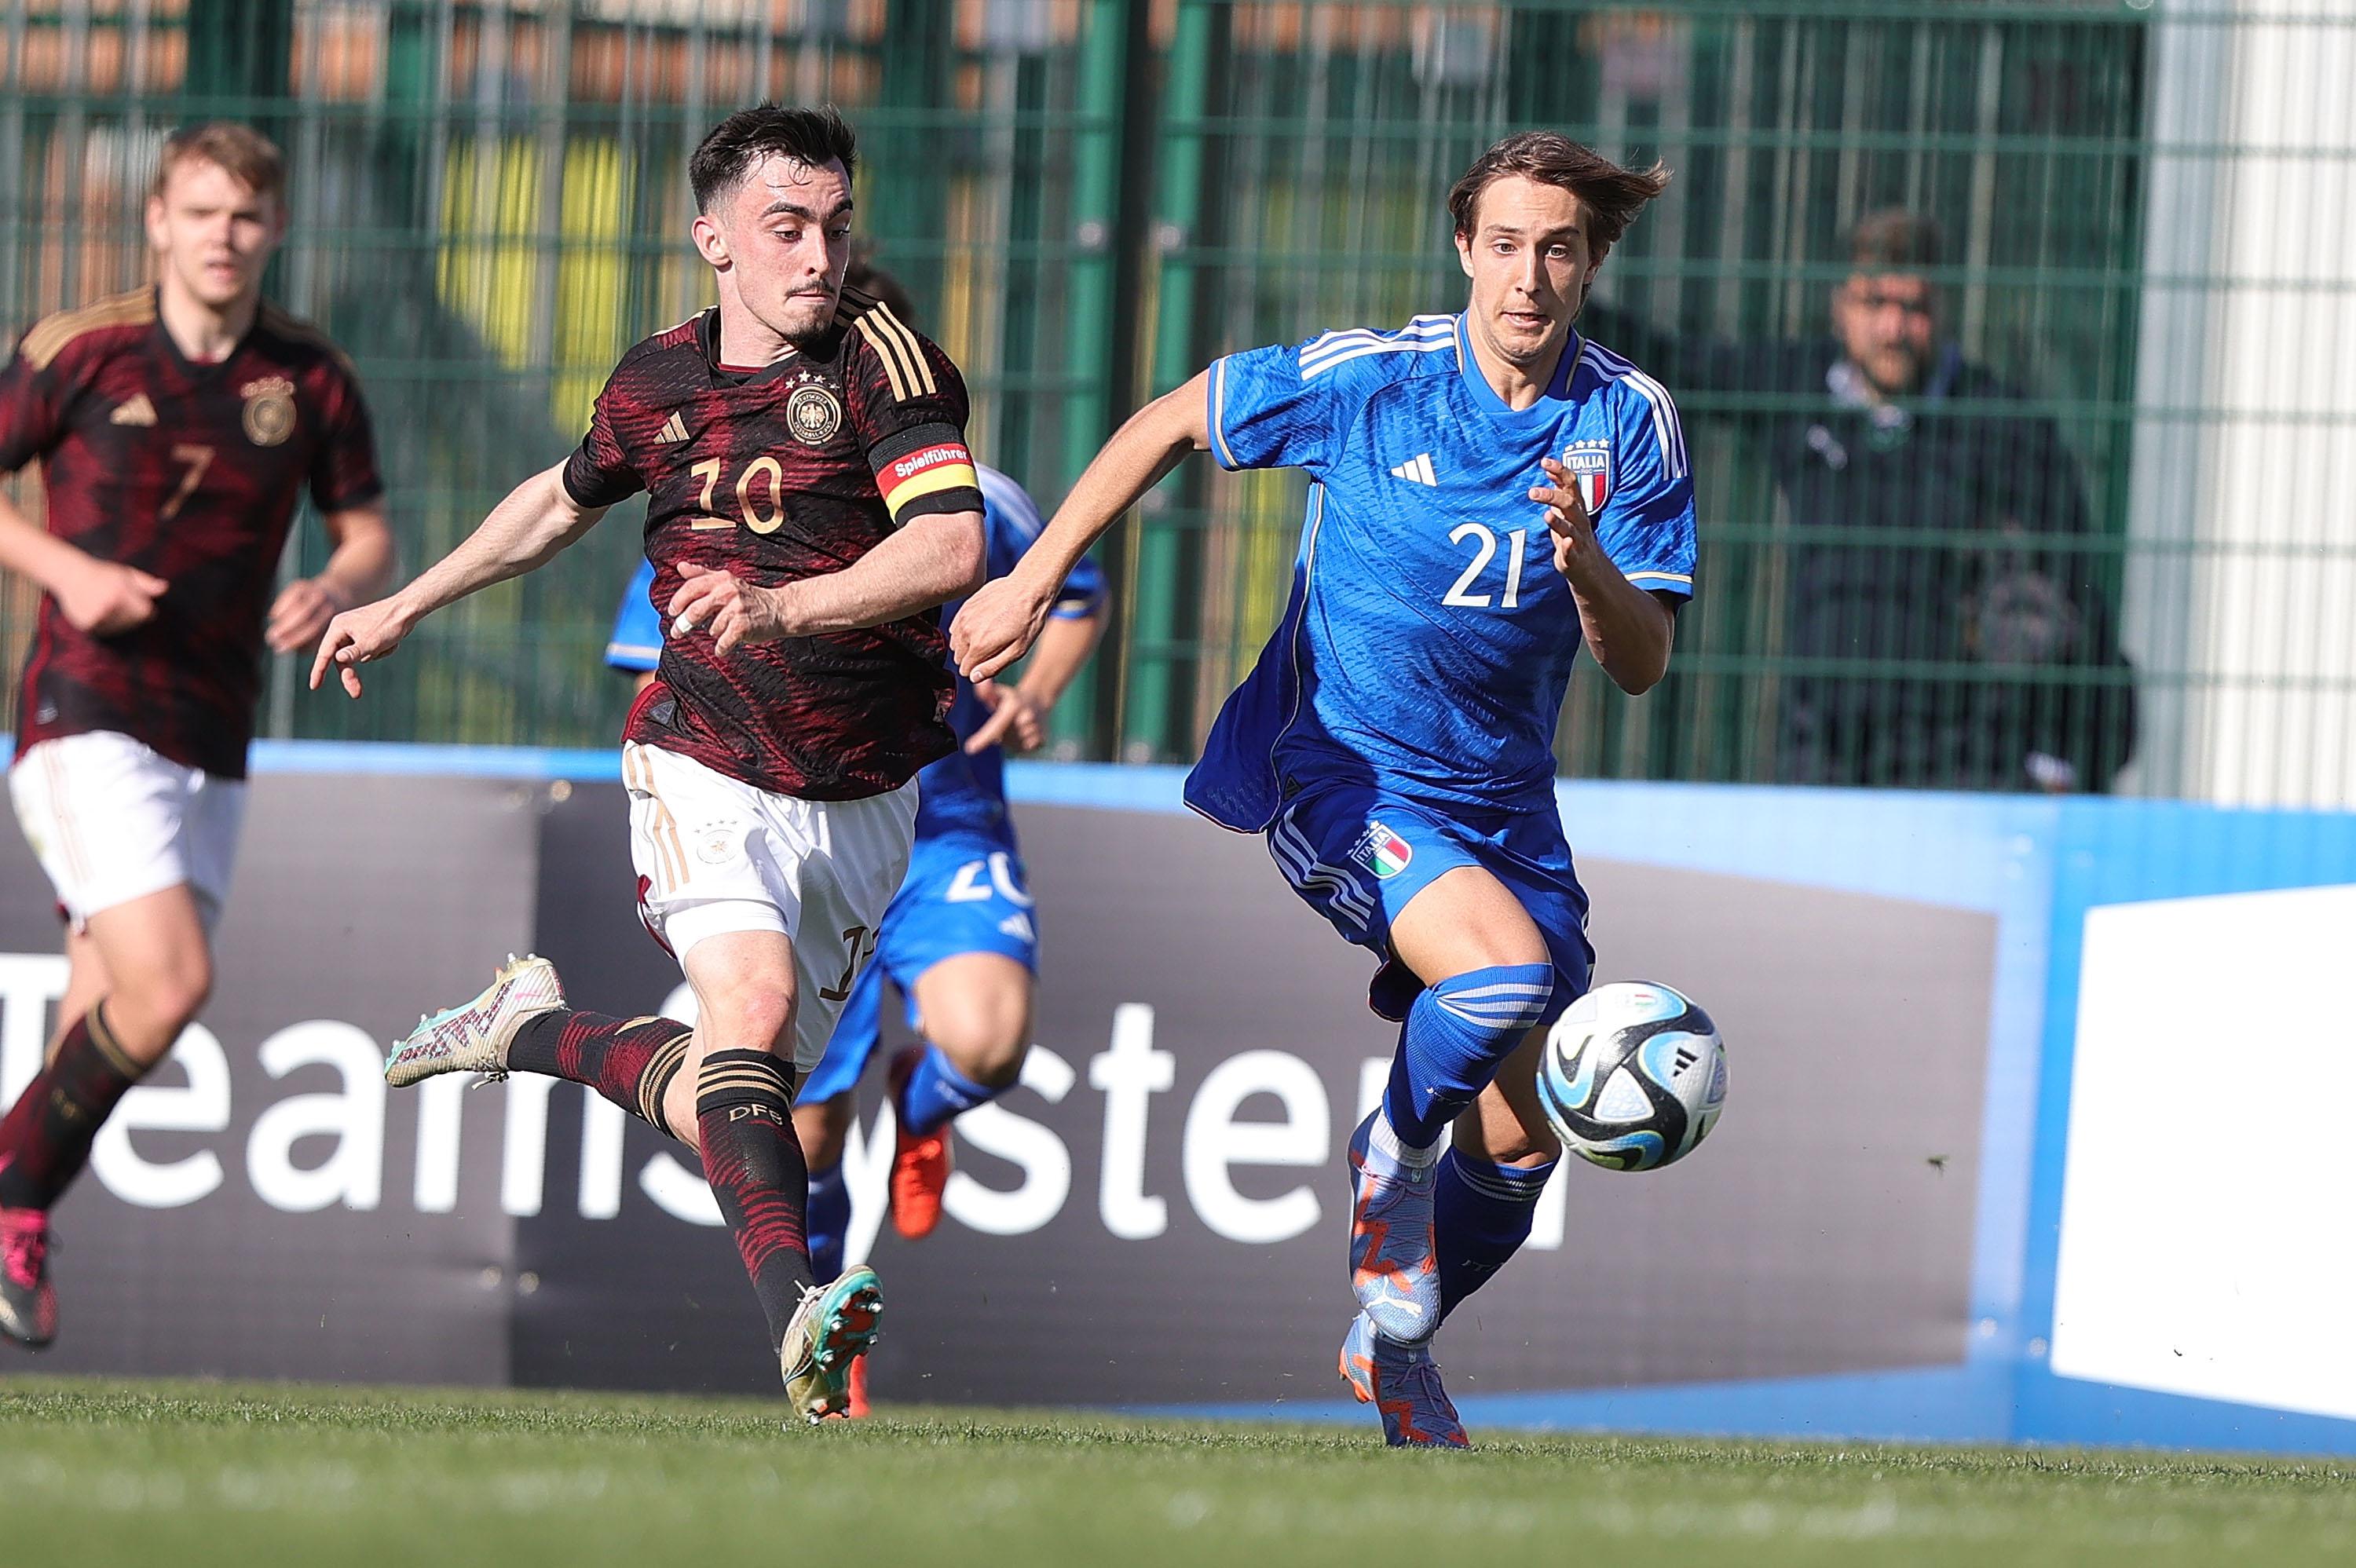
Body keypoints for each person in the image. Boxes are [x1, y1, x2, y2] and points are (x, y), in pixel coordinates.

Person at [953, 130, 1693, 1448]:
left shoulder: (1630, 422)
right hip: (1342, 767)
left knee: (1525, 1143)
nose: (1531, 276)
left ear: (1593, 264)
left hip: (1506, 808)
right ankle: (1388, 1158)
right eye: (1508, 244)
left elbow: (1642, 665)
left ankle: (1395, 1342)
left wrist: (1588, 566)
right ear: (1466, 249)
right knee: (1503, 982)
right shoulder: (1376, 381)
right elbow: (1173, 418)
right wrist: (1028, 574)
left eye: (1561, 249)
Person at [313, 105, 990, 1422]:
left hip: (866, 793)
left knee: (734, 1094)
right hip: (700, 756)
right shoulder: (656, 381)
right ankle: (798, 1318)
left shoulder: (886, 363)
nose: (817, 255)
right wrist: (409, 604)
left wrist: (787, 604)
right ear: (714, 241)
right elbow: (555, 503)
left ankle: (531, 1026)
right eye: (786, 227)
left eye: (834, 226)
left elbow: (949, 549)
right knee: (742, 1009)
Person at [604, 261, 1105, 1417]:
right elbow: (659, 660)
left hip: (941, 814)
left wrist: (1030, 693)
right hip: (787, 814)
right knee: (801, 1119)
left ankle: (922, 1114)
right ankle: (823, 1345)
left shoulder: (974, 497)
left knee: (986, 1042)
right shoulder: (722, 487)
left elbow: (1074, 595)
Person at [0, 123, 393, 1348]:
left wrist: (334, 584)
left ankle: (16, 1223)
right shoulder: (79, 351)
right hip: (83, 709)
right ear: (159, 220)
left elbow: (368, 528)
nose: (224, 236)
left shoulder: (311, 377)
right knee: (171, 985)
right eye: (202, 211)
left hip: (216, 728)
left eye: (247, 216)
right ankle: (11, 1199)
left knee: (105, 1009)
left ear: (274, 230)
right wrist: (68, 570)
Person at [1584, 209, 2135, 791]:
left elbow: (2076, 580)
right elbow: (1674, 365)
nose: (1894, 328)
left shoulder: (2000, 421)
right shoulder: (1799, 385)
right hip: (1819, 740)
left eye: (1914, 308)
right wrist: (1565, 298)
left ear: (1942, 309)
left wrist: (2061, 755)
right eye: (1875, 303)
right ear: (1841, 306)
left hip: (1955, 749)